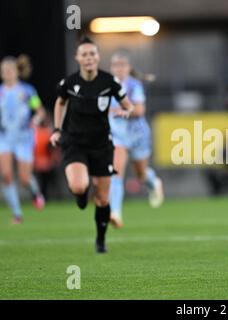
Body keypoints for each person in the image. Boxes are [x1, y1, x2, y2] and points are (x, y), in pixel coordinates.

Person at [50, 37, 135, 253]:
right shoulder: (69, 83)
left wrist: (126, 111)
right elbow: (60, 103)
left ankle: (100, 240)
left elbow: (128, 104)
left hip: (101, 146)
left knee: (102, 197)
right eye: (84, 54)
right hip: (74, 143)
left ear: (98, 57)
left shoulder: (109, 82)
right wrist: (57, 130)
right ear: (77, 58)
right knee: (80, 186)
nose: (88, 58)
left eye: (92, 54)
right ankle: (80, 195)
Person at [108, 51, 164, 228]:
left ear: (128, 67)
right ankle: (115, 213)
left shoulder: (134, 86)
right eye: (116, 65)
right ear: (111, 68)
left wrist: (121, 111)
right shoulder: (105, 87)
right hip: (118, 137)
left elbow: (139, 110)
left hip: (138, 136)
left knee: (141, 174)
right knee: (116, 172)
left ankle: (153, 181)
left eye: (122, 65)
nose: (119, 69)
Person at [0, 56, 46, 224]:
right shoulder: (1, 92)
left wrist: (36, 120)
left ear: (17, 72)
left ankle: (35, 192)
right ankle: (17, 213)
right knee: (6, 175)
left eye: (10, 70)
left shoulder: (27, 91)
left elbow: (39, 111)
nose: (7, 74)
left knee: (24, 177)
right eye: (4, 71)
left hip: (23, 138)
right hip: (4, 137)